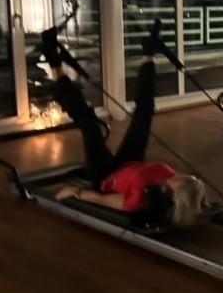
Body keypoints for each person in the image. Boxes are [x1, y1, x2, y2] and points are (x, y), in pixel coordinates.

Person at [40, 25, 209, 227]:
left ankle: (54, 63)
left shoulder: (141, 198)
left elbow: (103, 200)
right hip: (130, 162)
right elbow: (195, 200)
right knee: (144, 115)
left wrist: (76, 192)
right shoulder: (172, 180)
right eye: (189, 178)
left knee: (90, 125)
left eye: (185, 180)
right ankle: (149, 53)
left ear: (175, 193)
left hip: (105, 174)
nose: (184, 176)